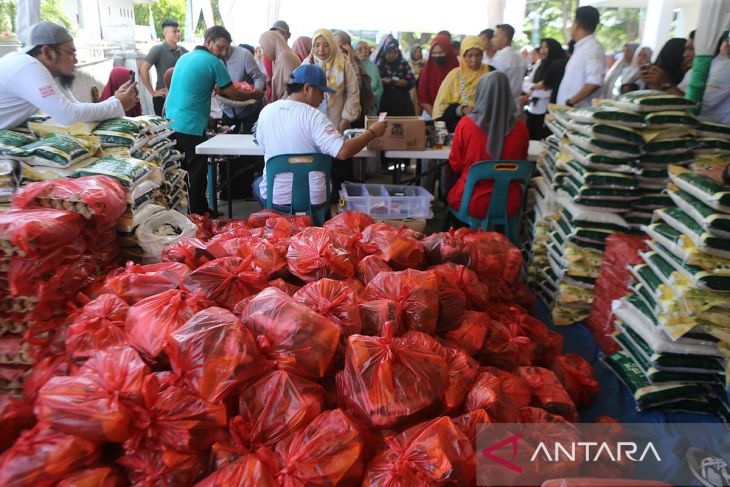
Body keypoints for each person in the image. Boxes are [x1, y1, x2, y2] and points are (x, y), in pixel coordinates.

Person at [253, 64, 387, 211]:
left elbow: (261, 143)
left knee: (258, 183)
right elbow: (343, 152)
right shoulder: (314, 117)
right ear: (307, 89)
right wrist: (372, 132)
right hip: (313, 201)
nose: (323, 98)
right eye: (321, 92)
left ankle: (276, 218)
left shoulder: (266, 111)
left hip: (276, 200)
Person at [165, 26, 263, 215]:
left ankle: (184, 215)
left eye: (227, 48)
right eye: (220, 47)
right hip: (191, 126)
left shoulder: (184, 58)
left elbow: (191, 93)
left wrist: (209, 120)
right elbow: (233, 93)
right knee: (197, 173)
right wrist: (255, 94)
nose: (223, 53)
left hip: (171, 123)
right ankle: (201, 214)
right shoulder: (212, 62)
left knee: (180, 173)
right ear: (208, 41)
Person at [0, 22, 137, 130]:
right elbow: (69, 115)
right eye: (71, 53)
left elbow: (75, 106)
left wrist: (116, 99)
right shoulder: (27, 65)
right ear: (48, 52)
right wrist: (119, 103)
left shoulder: (45, 70)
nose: (75, 60)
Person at [447, 71, 529, 219]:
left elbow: (456, 165)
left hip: (471, 200)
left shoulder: (466, 124)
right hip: (509, 203)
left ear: (481, 93)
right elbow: (521, 163)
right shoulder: (521, 127)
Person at [303, 28, 360, 133]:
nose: (321, 49)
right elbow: (300, 93)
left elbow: (353, 92)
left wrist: (346, 118)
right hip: (311, 120)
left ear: (332, 45)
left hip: (337, 120)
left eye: (326, 45)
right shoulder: (307, 64)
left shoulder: (343, 63)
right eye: (317, 45)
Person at [432, 35, 492, 132]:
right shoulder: (454, 76)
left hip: (486, 129)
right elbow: (441, 109)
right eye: (469, 55)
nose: (474, 60)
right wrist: (461, 109)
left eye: (478, 55)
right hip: (459, 129)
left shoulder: (491, 73)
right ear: (463, 56)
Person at [557, 6, 605, 108]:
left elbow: (594, 83)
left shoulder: (593, 47)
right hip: (567, 113)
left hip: (576, 113)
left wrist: (570, 102)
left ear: (577, 24)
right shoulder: (581, 47)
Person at [139, 19, 187, 116]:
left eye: (179, 31)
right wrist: (152, 92)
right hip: (163, 97)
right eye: (174, 31)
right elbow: (143, 68)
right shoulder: (158, 49)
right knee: (164, 129)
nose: (178, 34)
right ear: (165, 33)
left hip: (181, 97)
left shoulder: (183, 51)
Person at [524, 38, 566, 140]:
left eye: (546, 47)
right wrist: (535, 88)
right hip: (533, 108)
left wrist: (533, 89)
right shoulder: (539, 63)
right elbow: (527, 84)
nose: (542, 50)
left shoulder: (557, 65)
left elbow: (549, 89)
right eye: (541, 47)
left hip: (546, 109)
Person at [221, 44, 266, 134]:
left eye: (224, 45)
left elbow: (258, 77)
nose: (223, 51)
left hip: (249, 109)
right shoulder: (212, 57)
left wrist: (256, 92)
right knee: (227, 143)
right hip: (227, 110)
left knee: (250, 142)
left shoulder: (244, 55)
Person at [334, 30, 376, 124]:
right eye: (334, 46)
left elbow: (358, 87)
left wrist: (351, 63)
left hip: (351, 114)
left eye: (341, 46)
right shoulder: (329, 63)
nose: (338, 49)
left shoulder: (356, 63)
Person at [417, 34, 459, 117]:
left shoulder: (457, 70)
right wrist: (437, 117)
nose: (437, 56)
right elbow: (423, 98)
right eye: (434, 53)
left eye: (440, 52)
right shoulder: (427, 71)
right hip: (431, 115)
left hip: (454, 117)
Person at [375, 34, 416, 116]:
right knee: (384, 125)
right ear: (384, 52)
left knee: (403, 125)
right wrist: (382, 81)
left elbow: (412, 80)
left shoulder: (403, 63)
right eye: (389, 52)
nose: (392, 55)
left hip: (403, 102)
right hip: (384, 101)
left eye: (394, 52)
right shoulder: (379, 64)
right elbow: (373, 82)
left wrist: (405, 83)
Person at [490, 23, 527, 109]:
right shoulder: (519, 56)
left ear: (504, 39)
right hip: (516, 104)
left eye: (495, 36)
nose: (492, 40)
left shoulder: (500, 58)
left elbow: (494, 85)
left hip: (501, 105)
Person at [259, 30, 300, 102]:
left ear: (270, 44)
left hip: (287, 105)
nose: (263, 53)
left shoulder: (285, 57)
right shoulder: (276, 59)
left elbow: (293, 89)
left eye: (263, 48)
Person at [700, 32, 730, 125]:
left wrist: (667, 86)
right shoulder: (716, 64)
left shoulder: (725, 67)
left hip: (716, 132)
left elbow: (703, 105)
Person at [356, 40, 384, 115]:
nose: (364, 51)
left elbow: (379, 87)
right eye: (360, 49)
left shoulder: (374, 67)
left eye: (366, 48)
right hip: (356, 106)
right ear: (355, 52)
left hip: (371, 106)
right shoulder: (352, 67)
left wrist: (373, 97)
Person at [409, 44, 424, 115]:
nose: (418, 54)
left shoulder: (424, 64)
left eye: (419, 52)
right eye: (416, 52)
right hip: (413, 91)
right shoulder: (408, 64)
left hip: (422, 88)